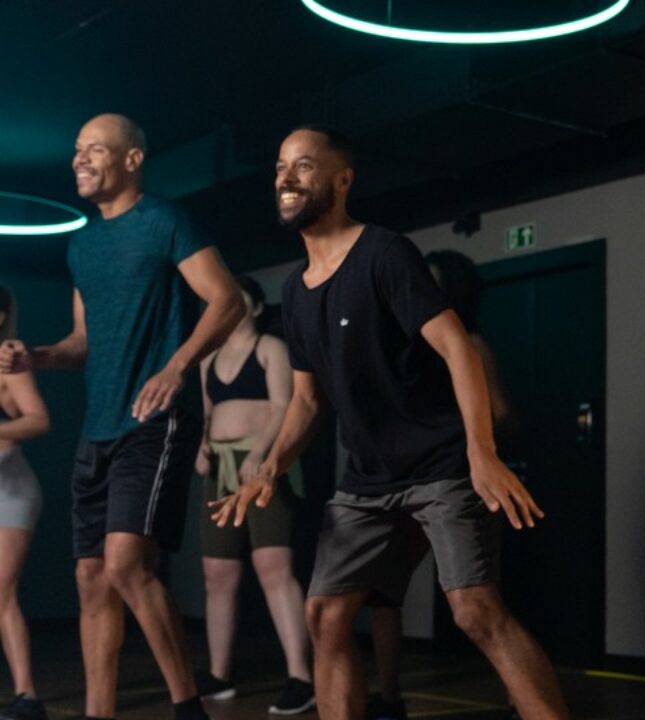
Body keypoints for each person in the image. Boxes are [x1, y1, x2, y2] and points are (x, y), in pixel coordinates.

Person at [212, 126, 568, 720]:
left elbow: (458, 348)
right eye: (279, 167)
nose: (286, 178)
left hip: (440, 464)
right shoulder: (294, 291)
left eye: (303, 165)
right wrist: (270, 466)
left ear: (342, 180)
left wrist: (480, 452)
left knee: (476, 611)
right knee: (325, 614)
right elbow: (307, 400)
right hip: (367, 480)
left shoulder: (384, 254)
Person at [0, 113, 244, 720]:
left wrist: (176, 367)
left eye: (94, 150)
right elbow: (82, 342)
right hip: (98, 427)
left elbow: (227, 300)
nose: (79, 160)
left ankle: (188, 706)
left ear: (132, 159)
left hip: (154, 421)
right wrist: (36, 356)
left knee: (126, 564)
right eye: (76, 150)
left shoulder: (165, 221)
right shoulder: (82, 244)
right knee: (90, 576)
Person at [365, 249, 519, 720]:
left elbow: (503, 415)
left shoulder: (469, 343)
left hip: (458, 479)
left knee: (479, 605)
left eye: (429, 283)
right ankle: (388, 698)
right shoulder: (406, 349)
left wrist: (469, 443)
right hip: (405, 482)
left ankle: (521, 701)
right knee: (382, 592)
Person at [193, 275, 314, 715]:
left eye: (237, 300)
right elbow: (207, 413)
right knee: (217, 572)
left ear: (256, 307)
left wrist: (261, 454)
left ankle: (301, 675)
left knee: (272, 566)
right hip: (220, 468)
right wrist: (202, 447)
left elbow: (284, 405)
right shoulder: (208, 358)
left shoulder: (270, 348)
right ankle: (219, 674)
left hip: (261, 465)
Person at [0, 288, 51, 720]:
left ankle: (27, 697)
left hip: (11, 491)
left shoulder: (7, 362)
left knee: (1, 591)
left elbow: (39, 419)